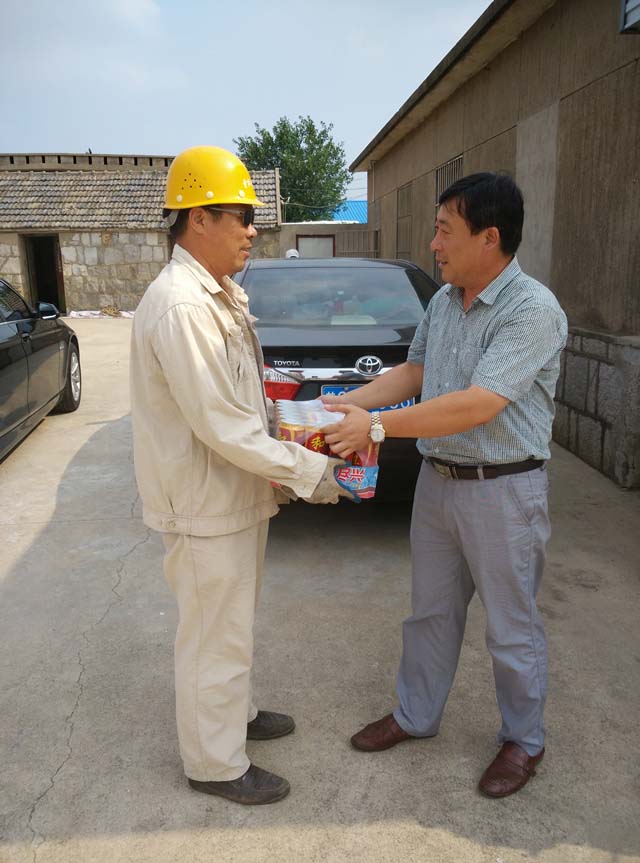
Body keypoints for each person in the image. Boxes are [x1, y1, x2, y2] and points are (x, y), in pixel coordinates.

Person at [322, 172, 568, 798]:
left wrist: (376, 428)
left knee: (511, 626)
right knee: (429, 612)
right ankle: (416, 714)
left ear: (490, 238)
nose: (434, 244)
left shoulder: (531, 310)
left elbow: (477, 404)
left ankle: (523, 740)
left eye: (444, 231)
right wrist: (347, 405)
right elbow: (414, 372)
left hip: (504, 491)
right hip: (438, 484)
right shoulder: (444, 300)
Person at [130, 145, 354, 806]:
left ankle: (236, 714)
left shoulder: (217, 294)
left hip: (230, 491)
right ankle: (215, 763)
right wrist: (312, 468)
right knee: (212, 633)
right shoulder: (182, 306)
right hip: (204, 500)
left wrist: (293, 429)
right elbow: (222, 425)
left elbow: (241, 404)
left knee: (232, 622)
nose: (253, 230)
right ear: (198, 219)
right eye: (241, 216)